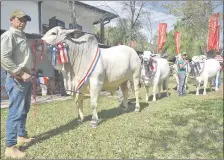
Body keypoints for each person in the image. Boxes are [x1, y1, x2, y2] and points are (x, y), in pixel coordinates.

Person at [1, 9, 34, 158]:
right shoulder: (9, 36)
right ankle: (10, 146)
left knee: (24, 110)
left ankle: (21, 136)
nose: (23, 22)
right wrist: (21, 73)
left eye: (25, 20)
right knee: (15, 112)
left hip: (26, 79)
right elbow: (4, 58)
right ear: (12, 20)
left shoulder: (22, 35)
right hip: (16, 80)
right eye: (19, 19)